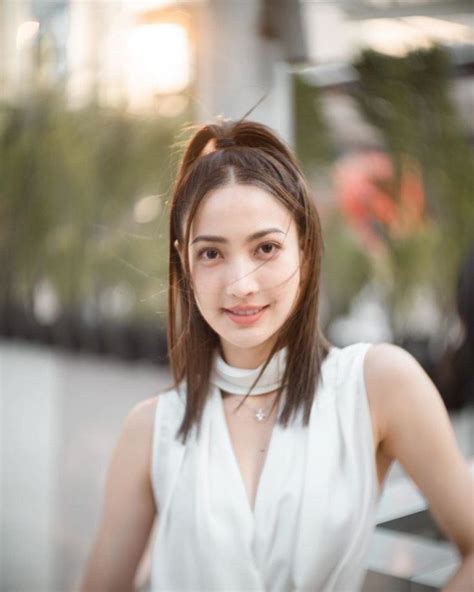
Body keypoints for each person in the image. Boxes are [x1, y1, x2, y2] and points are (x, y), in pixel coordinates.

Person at [79, 118, 474, 591]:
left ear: (304, 251)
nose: (241, 284)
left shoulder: (376, 385)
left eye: (265, 247)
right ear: (184, 261)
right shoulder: (152, 429)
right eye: (211, 254)